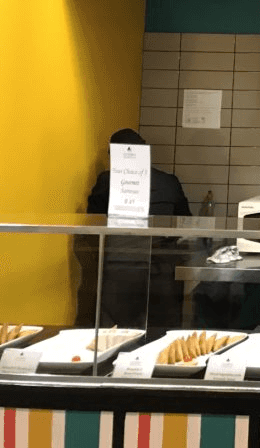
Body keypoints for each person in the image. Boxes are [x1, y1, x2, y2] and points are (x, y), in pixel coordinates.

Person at [75, 128, 192, 331]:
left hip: (120, 269)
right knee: (161, 332)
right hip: (161, 270)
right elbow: (186, 222)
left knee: (116, 333)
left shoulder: (107, 181)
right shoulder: (169, 181)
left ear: (114, 155)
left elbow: (93, 221)